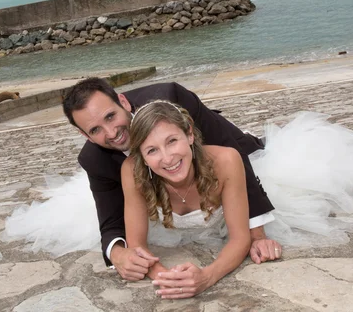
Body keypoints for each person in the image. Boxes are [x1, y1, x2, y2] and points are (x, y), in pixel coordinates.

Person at [120, 100, 353, 299]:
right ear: (140, 156)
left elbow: (240, 239)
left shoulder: (226, 160)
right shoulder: (131, 171)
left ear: (190, 134)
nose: (167, 158)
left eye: (172, 141)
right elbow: (137, 247)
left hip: (240, 191)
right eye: (152, 150)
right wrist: (165, 278)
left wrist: (206, 277)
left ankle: (256, 143)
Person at [62, 78, 281, 279]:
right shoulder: (96, 159)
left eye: (111, 116)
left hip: (228, 156)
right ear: (85, 135)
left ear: (123, 102)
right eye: (95, 129)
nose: (112, 133)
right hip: (160, 193)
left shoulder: (173, 97)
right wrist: (118, 254)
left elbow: (232, 153)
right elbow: (111, 219)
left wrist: (257, 234)